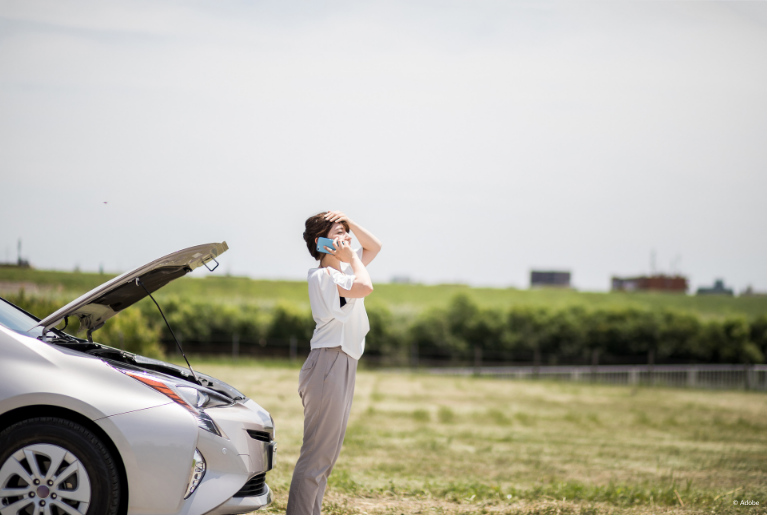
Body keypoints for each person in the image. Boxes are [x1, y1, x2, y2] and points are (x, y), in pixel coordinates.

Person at [287, 210, 382, 515]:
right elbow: (365, 287)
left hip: (341, 363)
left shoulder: (342, 273)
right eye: (338, 233)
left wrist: (349, 221)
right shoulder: (324, 276)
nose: (347, 238)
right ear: (321, 242)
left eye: (346, 232)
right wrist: (352, 257)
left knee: (325, 458)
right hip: (328, 363)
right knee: (316, 458)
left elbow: (375, 247)